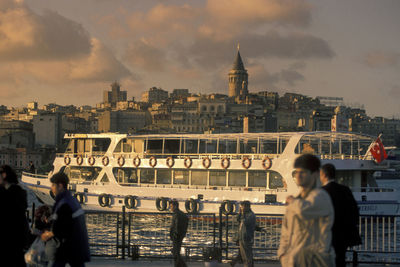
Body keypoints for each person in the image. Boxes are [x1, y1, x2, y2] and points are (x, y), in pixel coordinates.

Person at [278, 154, 335, 267]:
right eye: (296, 172)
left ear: (314, 174)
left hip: (316, 260)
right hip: (294, 259)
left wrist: (292, 202)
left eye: (303, 172)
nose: (298, 176)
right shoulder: (296, 199)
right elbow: (286, 230)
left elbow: (303, 211)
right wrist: (282, 254)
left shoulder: (321, 197)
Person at [41, 172, 90, 267]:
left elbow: (60, 228)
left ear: (60, 186)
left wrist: (47, 235)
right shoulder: (72, 200)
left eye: (53, 185)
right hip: (77, 245)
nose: (51, 188)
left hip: (68, 246)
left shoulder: (63, 203)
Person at [321, 163, 362, 267]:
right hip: (343, 235)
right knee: (340, 260)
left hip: (325, 235)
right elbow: (354, 211)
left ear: (324, 175)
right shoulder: (345, 189)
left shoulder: (321, 192)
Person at [0, 165, 30, 267]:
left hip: (10, 241)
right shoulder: (20, 192)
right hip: (19, 240)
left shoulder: (8, 194)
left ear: (4, 175)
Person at [230, 201, 256, 267]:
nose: (242, 208)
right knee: (243, 255)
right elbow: (237, 219)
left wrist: (243, 213)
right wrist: (240, 213)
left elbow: (245, 222)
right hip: (241, 237)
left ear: (247, 207)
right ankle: (236, 262)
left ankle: (246, 265)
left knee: (247, 256)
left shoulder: (251, 215)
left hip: (247, 237)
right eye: (241, 207)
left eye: (243, 207)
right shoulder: (243, 214)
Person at [169, 200, 188, 267]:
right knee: (176, 252)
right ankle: (181, 265)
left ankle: (181, 265)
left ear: (175, 206)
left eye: (171, 206)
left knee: (176, 254)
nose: (170, 208)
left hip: (176, 237)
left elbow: (176, 226)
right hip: (180, 236)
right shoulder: (182, 214)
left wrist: (174, 235)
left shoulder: (176, 214)